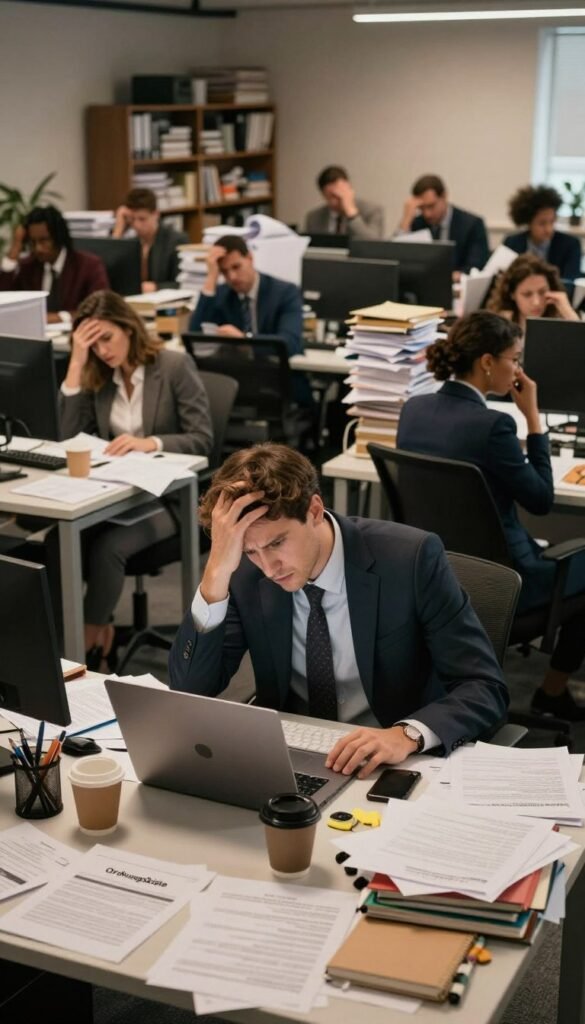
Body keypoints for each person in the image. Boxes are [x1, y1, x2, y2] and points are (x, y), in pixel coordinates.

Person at [169, 443, 508, 775]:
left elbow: (483, 686)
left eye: (276, 543)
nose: (269, 567)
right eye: (250, 551)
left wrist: (407, 734)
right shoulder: (241, 572)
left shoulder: (410, 559)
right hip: (292, 755)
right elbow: (191, 690)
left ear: (314, 510)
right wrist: (215, 574)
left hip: (391, 761)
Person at [397, 311, 585, 722]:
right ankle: (552, 692)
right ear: (487, 362)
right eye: (513, 359)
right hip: (505, 581)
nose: (517, 369)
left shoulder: (414, 409)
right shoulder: (494, 426)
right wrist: (534, 420)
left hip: (433, 576)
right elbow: (539, 499)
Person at [60, 290, 213, 668]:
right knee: (58, 540)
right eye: (93, 345)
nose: (103, 351)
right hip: (118, 492)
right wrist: (77, 362)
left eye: (107, 338)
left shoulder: (174, 366)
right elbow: (67, 437)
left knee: (108, 547)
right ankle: (84, 629)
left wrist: (150, 443)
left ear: (129, 328)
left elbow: (203, 439)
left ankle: (89, 636)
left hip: (171, 497)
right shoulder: (100, 376)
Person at [189, 235, 303, 356]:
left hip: (275, 370)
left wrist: (244, 340)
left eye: (236, 267)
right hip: (236, 371)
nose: (232, 277)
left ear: (250, 258)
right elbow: (195, 340)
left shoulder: (285, 292)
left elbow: (290, 343)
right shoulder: (223, 295)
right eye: (224, 272)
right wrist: (211, 277)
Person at [0, 205, 109, 323]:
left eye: (44, 240)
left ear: (58, 237)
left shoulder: (88, 265)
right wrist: (15, 248)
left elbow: (101, 308)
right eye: (33, 242)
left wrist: (60, 317)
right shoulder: (29, 266)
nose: (38, 248)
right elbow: (4, 302)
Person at [398, 174, 489, 275]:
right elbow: (397, 260)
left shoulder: (471, 225)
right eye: (421, 208)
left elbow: (476, 267)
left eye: (431, 206)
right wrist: (406, 220)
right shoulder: (417, 223)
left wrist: (449, 277)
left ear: (444, 196)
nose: (427, 214)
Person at [112, 187, 188, 292]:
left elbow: (183, 284)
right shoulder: (131, 242)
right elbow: (111, 274)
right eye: (132, 219)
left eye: (142, 219)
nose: (136, 225)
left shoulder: (176, 240)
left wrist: (156, 287)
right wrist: (118, 229)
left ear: (156, 214)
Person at [487, 253, 579, 336]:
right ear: (512, 294)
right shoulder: (499, 324)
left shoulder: (560, 320)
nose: (536, 302)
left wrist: (569, 313)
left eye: (542, 292)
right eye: (527, 294)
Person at [503, 184, 582, 282]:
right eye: (542, 223)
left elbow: (569, 282)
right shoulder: (512, 243)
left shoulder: (570, 245)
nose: (549, 229)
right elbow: (504, 280)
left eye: (552, 222)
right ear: (528, 222)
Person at [304, 166, 384, 240]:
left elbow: (374, 243)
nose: (339, 198)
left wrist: (351, 213)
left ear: (350, 188)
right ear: (324, 195)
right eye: (333, 195)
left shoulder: (371, 211)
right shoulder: (314, 217)